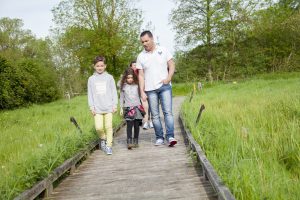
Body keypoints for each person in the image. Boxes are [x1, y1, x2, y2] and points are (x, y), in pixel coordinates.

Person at [136, 30, 177, 147]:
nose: (144, 44)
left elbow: (172, 64)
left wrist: (169, 77)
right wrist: (142, 92)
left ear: (152, 38)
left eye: (146, 41)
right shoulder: (141, 56)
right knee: (154, 115)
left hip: (164, 86)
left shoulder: (163, 50)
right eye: (142, 42)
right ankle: (159, 137)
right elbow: (141, 75)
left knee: (168, 112)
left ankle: (170, 136)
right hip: (150, 89)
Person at [88, 55, 118, 155]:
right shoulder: (91, 79)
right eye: (97, 66)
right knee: (98, 127)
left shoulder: (109, 78)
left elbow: (114, 91)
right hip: (97, 109)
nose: (100, 67)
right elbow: (90, 94)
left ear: (105, 66)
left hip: (109, 107)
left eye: (101, 65)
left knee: (108, 126)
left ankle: (109, 146)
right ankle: (103, 138)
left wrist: (115, 105)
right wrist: (91, 107)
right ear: (94, 66)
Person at [119, 68, 144, 149]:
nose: (130, 79)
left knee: (137, 126)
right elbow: (121, 97)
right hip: (128, 108)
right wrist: (121, 108)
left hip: (137, 107)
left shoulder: (137, 85)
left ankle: (135, 141)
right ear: (125, 78)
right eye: (128, 78)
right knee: (129, 126)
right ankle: (129, 141)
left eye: (131, 77)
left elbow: (141, 96)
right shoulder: (123, 86)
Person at [129, 61, 153, 130]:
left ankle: (150, 121)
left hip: (147, 89)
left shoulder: (141, 71)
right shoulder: (130, 75)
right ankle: (144, 121)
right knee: (143, 107)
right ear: (131, 67)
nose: (135, 66)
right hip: (138, 92)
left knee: (150, 106)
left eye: (136, 65)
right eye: (134, 65)